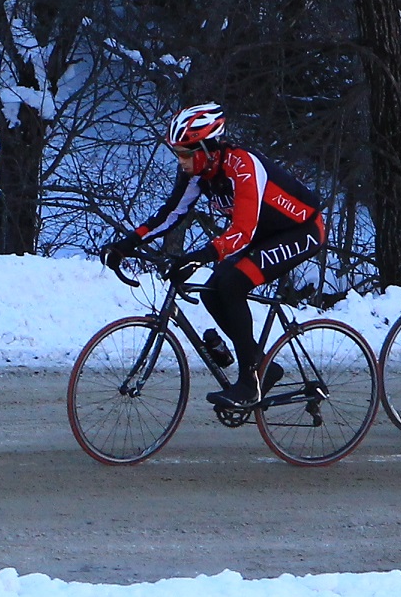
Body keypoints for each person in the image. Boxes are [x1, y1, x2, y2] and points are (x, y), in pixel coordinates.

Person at [100, 102, 328, 410]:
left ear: (209, 148)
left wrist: (201, 255)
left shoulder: (243, 166)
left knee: (233, 284)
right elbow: (171, 213)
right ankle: (262, 366)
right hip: (265, 232)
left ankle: (250, 384)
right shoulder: (199, 171)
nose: (181, 161)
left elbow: (243, 231)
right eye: (177, 153)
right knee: (211, 291)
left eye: (186, 153)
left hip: (302, 229)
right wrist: (125, 245)